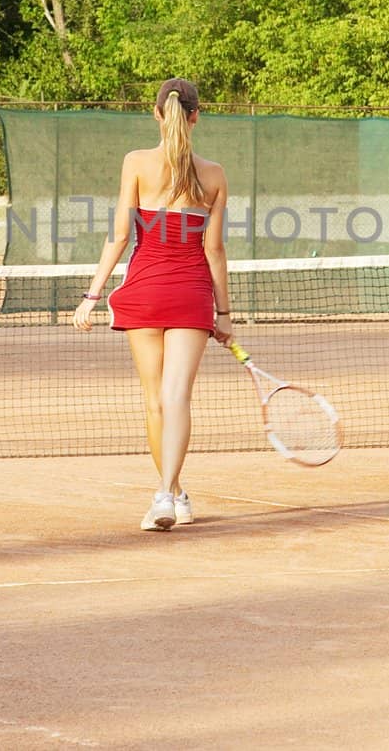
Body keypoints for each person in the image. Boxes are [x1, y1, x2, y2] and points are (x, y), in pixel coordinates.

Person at [73, 77, 232, 531]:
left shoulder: (136, 163)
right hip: (192, 295)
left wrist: (92, 294)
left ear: (157, 113)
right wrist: (224, 314)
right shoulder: (215, 174)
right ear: (196, 116)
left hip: (143, 290)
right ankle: (172, 492)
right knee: (177, 396)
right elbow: (214, 250)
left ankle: (168, 494)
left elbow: (121, 236)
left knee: (154, 401)